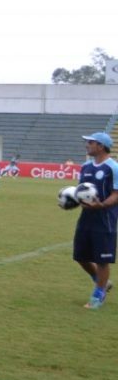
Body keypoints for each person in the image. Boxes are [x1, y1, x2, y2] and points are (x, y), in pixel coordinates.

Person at [74, 132, 118, 309]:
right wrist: (71, 201)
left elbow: (116, 194)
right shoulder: (85, 167)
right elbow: (80, 191)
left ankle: (99, 295)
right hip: (86, 218)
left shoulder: (113, 167)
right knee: (80, 256)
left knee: (102, 259)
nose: (87, 145)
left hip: (104, 219)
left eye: (90, 142)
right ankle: (101, 282)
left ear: (101, 146)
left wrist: (102, 205)